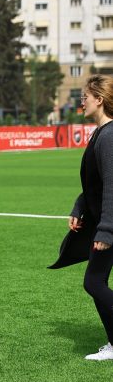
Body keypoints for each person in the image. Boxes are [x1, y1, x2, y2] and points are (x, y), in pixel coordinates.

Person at [67, 75, 113, 361]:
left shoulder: (108, 136)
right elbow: (93, 184)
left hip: (109, 226)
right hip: (103, 223)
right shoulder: (100, 134)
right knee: (96, 282)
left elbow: (111, 186)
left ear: (99, 99)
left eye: (84, 97)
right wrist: (79, 207)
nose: (81, 102)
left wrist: (106, 231)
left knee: (94, 283)